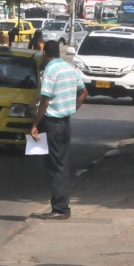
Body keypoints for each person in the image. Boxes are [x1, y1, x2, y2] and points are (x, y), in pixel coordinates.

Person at [29, 39, 87, 220]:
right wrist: (70, 110)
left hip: (52, 124)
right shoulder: (70, 69)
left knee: (55, 167)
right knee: (60, 164)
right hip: (64, 123)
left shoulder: (50, 71)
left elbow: (45, 101)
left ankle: (61, 208)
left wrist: (35, 125)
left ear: (45, 53)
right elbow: (84, 93)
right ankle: (60, 204)